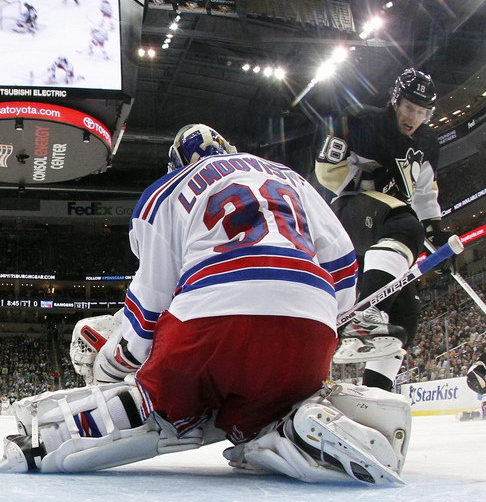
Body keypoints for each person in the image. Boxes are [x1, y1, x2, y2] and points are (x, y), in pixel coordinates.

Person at [0, 125, 413, 485]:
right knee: (254, 427)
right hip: (307, 329)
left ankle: (42, 441)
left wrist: (115, 366)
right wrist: (322, 325)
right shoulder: (292, 178)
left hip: (210, 324)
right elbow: (343, 269)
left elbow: (151, 301)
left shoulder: (167, 189)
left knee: (161, 408)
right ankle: (291, 432)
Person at [315, 68, 451, 391]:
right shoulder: (366, 124)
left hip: (383, 234)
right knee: (407, 225)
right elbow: (325, 170)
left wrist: (437, 232)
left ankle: (376, 393)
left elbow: (424, 191)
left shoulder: (428, 142)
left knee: (407, 313)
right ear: (396, 101)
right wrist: (362, 175)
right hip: (351, 214)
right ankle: (368, 313)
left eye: (421, 111)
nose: (413, 117)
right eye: (408, 107)